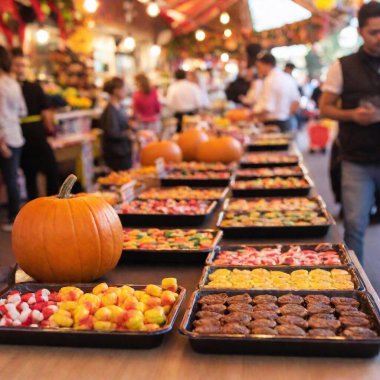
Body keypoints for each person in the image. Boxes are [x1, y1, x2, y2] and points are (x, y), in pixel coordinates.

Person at [319, 1, 380, 263]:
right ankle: (357, 291)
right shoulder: (342, 66)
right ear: (360, 32)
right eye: (374, 32)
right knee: (355, 226)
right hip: (357, 160)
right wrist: (352, 115)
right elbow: (325, 108)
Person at [11, 48, 60, 200]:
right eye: (17, 65)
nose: (20, 69)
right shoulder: (9, 87)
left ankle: (54, 201)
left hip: (34, 133)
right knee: (30, 173)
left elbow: (46, 113)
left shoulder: (33, 87)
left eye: (22, 65)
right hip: (20, 134)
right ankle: (36, 207)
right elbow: (46, 113)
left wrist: (50, 130)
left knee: (49, 170)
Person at [0, 46, 26, 231]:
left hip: (4, 138)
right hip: (16, 134)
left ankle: (14, 217)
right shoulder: (13, 83)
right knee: (12, 177)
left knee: (10, 178)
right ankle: (14, 215)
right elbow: (22, 111)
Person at [253, 52, 300, 132]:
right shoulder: (288, 78)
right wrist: (285, 114)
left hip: (272, 124)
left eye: (259, 66)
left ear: (268, 65)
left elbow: (267, 108)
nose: (258, 70)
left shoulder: (270, 80)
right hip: (287, 122)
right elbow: (296, 103)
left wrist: (251, 116)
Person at [100, 77, 133, 171]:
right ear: (115, 90)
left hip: (123, 150)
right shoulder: (110, 110)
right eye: (124, 88)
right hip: (116, 153)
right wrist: (128, 134)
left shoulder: (119, 107)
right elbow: (112, 132)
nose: (126, 90)